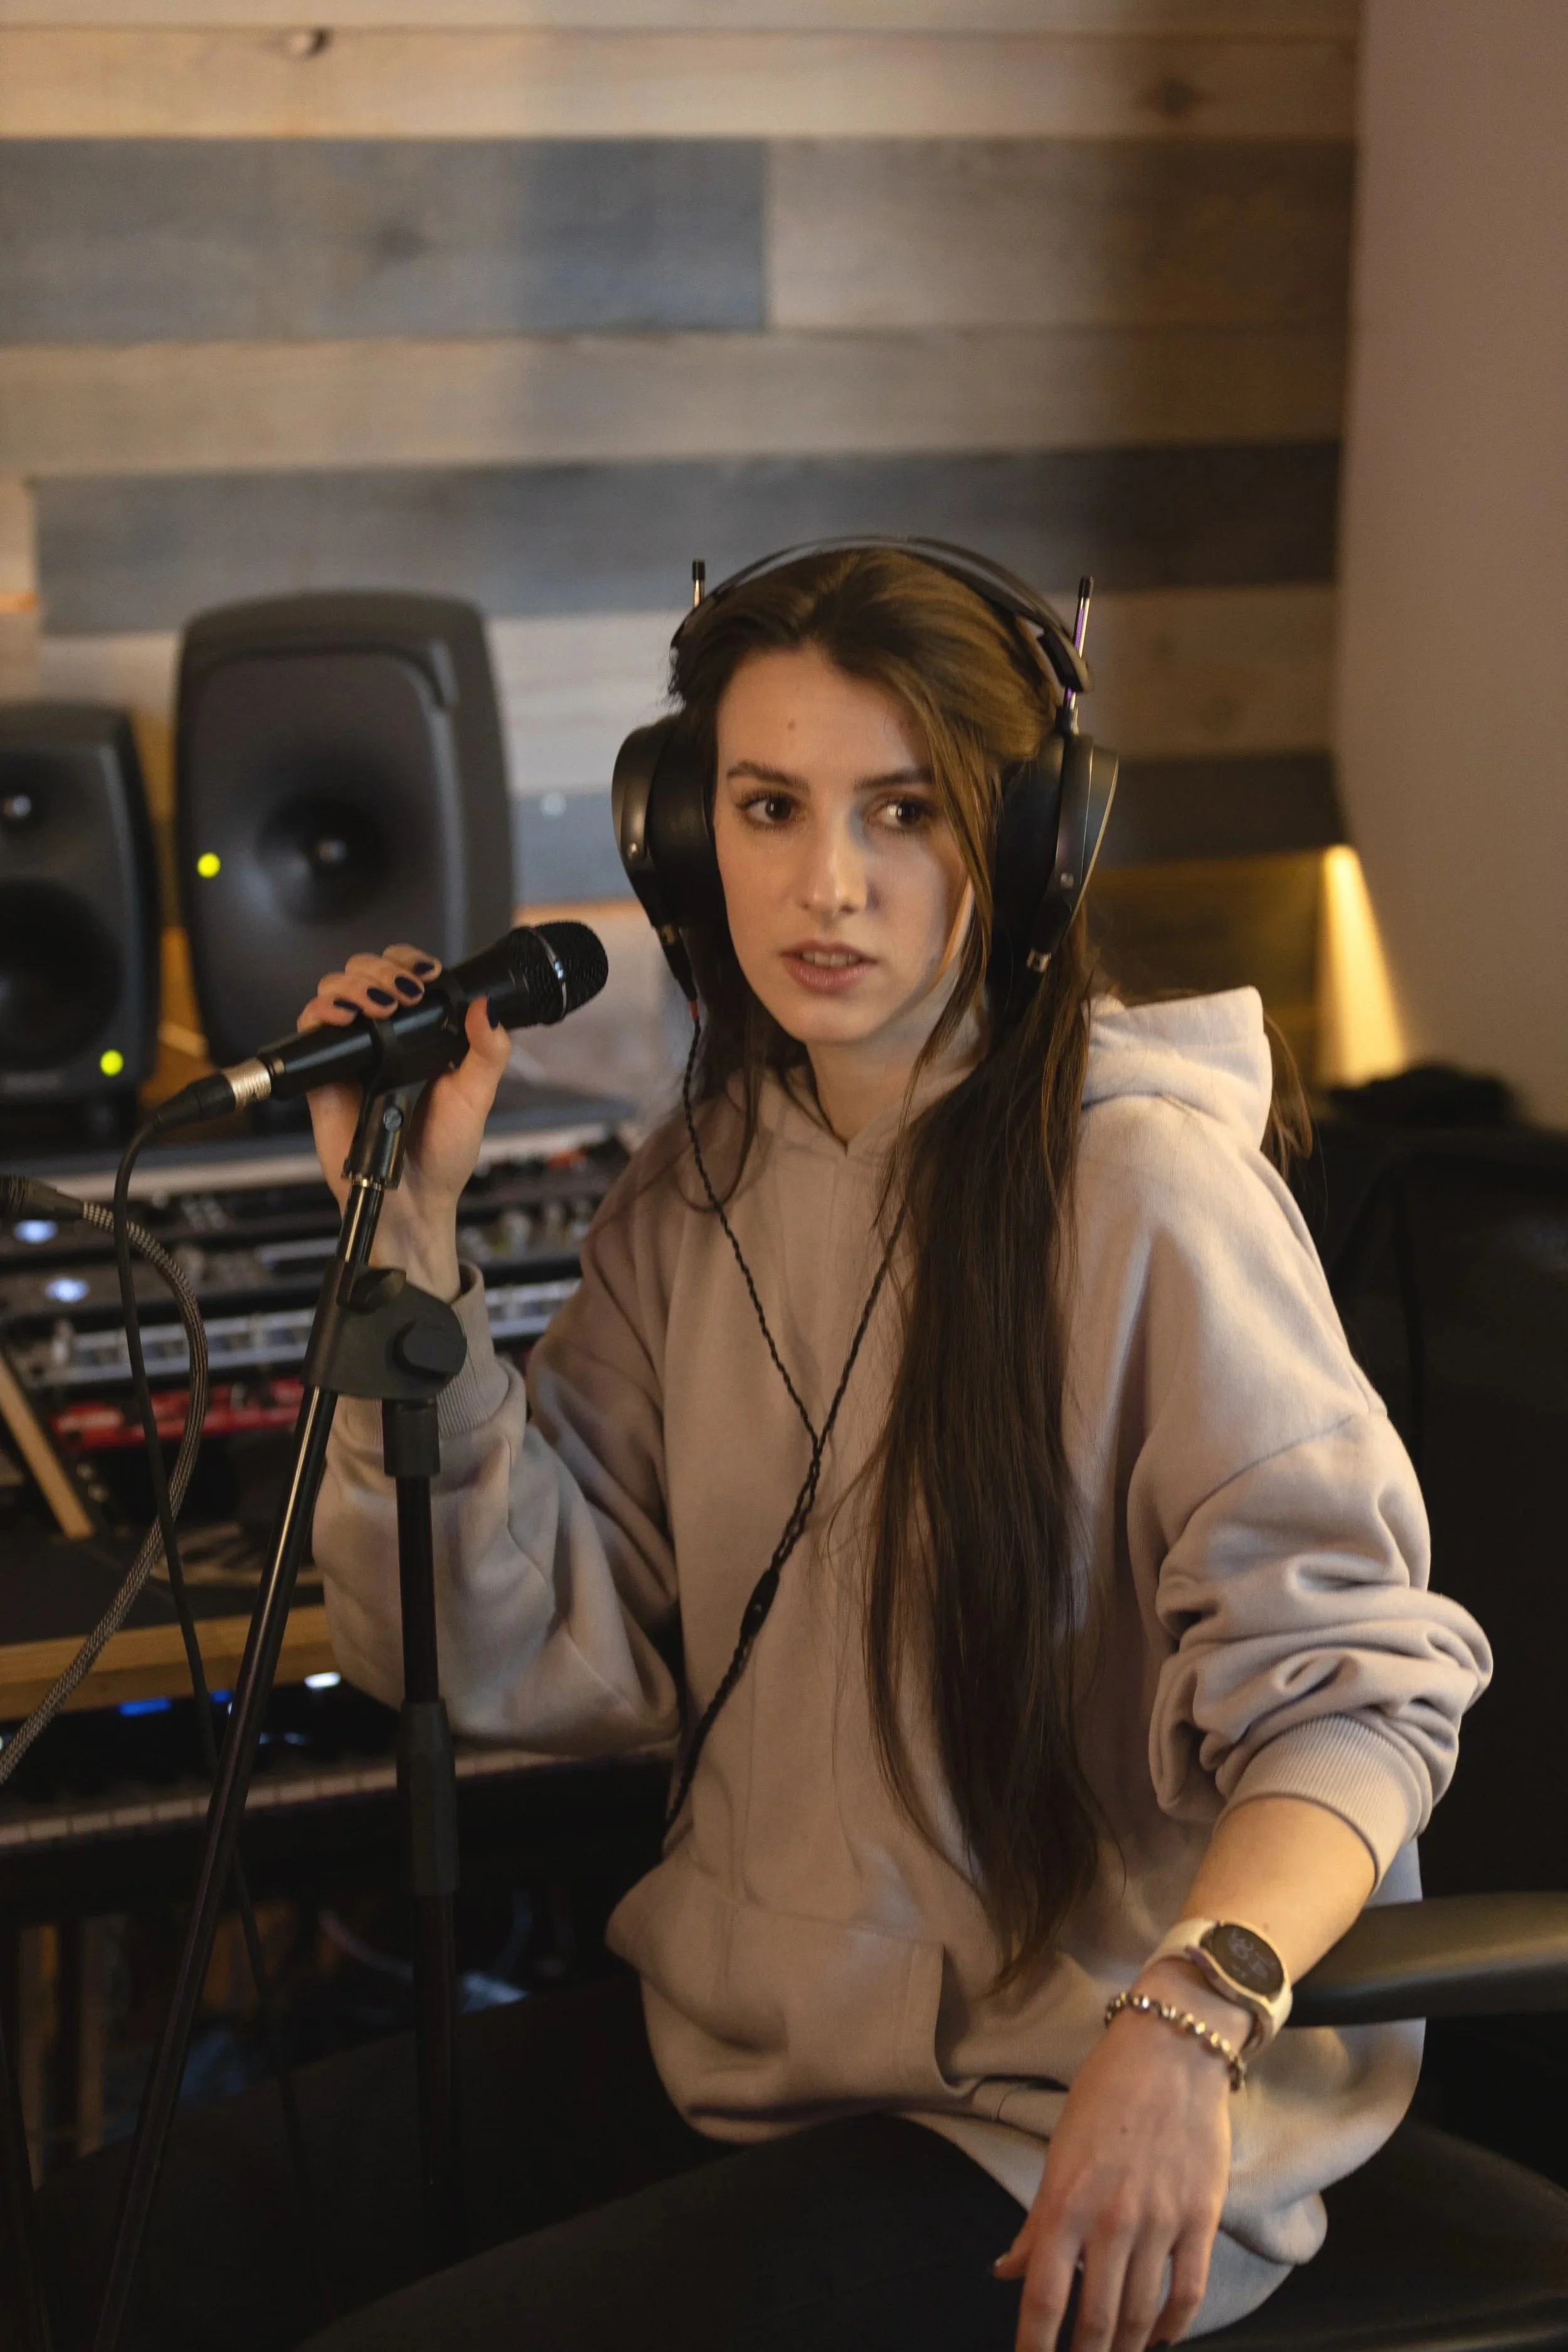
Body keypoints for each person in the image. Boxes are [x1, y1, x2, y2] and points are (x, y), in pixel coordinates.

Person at [39, 548, 1490, 2352]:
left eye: (902, 812)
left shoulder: (1145, 1192)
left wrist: (1187, 2023)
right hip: (746, 2052)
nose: (825, 883)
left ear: (1031, 843)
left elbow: (1353, 1693)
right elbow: (501, 1651)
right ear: (678, 833)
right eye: (766, 805)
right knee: (111, 2247)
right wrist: (402, 1229)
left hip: (1059, 2112)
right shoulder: (703, 1186)